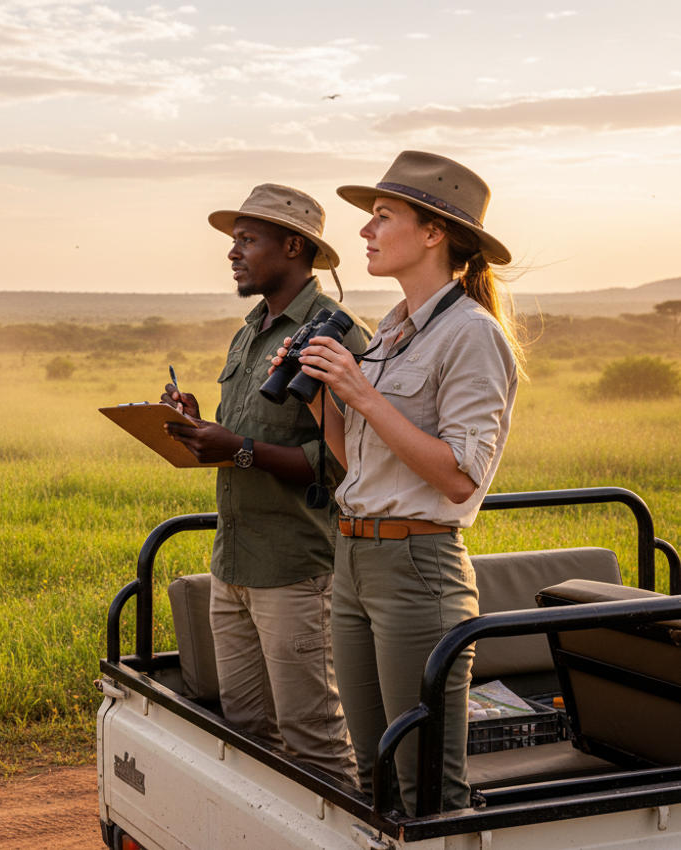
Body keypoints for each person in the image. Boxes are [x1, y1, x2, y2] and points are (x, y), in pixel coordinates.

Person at [285, 151, 523, 813]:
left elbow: (456, 476)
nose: (364, 231)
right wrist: (321, 398)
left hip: (418, 567)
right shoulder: (390, 330)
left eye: (381, 217)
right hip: (354, 554)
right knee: (375, 774)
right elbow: (358, 462)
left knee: (420, 784)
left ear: (432, 233)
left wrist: (361, 393)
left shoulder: (473, 336)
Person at [161, 184, 369, 785]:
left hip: (297, 571)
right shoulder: (254, 329)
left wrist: (241, 450)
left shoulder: (337, 335)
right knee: (248, 732)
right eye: (234, 242)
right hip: (234, 562)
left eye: (247, 240)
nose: (233, 253)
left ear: (295, 246)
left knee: (314, 742)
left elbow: (348, 461)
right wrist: (206, 428)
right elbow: (249, 432)